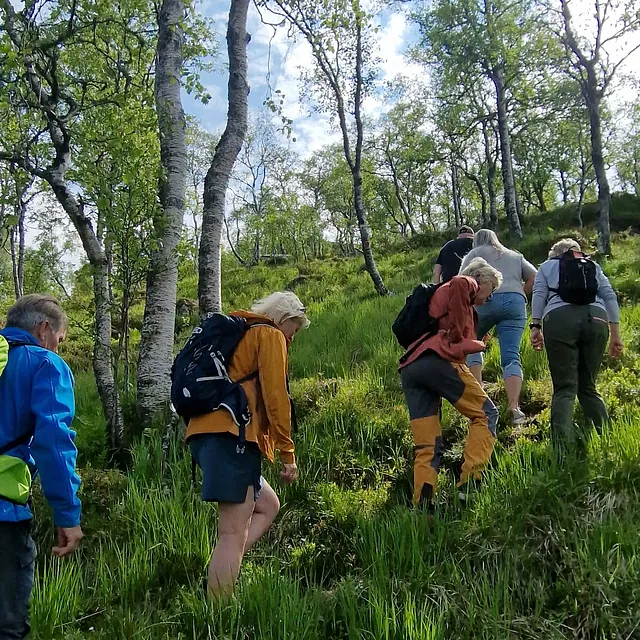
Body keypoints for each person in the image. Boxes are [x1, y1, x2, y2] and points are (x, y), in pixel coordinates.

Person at [186, 291, 309, 598]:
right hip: (232, 437)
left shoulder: (241, 332)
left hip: (204, 433)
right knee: (231, 533)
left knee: (268, 505)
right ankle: (217, 611)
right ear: (284, 319)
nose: (292, 339)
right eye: (293, 330)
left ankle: (221, 569)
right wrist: (287, 453)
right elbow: (276, 398)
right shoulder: (269, 334)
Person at [0, 294, 83, 640]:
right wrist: (67, 515)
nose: (58, 348)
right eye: (59, 340)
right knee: (8, 623)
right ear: (44, 329)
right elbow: (54, 443)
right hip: (5, 512)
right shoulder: (44, 364)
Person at [400, 258, 501, 508]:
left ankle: (423, 508)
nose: (490, 297)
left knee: (427, 445)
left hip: (412, 367)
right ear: (481, 279)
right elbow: (459, 283)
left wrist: (471, 337)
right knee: (486, 414)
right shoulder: (467, 282)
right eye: (492, 289)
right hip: (438, 361)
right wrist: (458, 335)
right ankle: (470, 483)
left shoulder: (446, 297)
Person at [530, 239, 624, 454]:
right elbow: (609, 295)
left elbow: (539, 294)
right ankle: (606, 442)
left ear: (555, 254)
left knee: (565, 388)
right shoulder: (592, 266)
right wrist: (615, 334)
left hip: (559, 319)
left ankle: (562, 449)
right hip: (597, 318)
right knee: (588, 386)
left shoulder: (547, 267)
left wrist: (535, 326)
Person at [459, 229, 537, 425]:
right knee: (511, 356)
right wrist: (520, 292)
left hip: (484, 301)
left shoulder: (474, 254)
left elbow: (461, 280)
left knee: (472, 345)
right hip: (514, 303)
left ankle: (480, 403)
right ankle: (514, 408)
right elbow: (534, 276)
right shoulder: (514, 255)